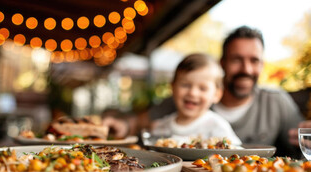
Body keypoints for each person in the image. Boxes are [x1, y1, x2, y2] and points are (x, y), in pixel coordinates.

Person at [103, 26, 304, 157]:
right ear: (223, 63)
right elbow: (139, 122)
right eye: (237, 59)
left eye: (254, 60)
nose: (246, 69)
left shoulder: (276, 102)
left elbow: (303, 142)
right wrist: (121, 124)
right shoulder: (184, 99)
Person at [151, 53, 241, 145]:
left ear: (216, 95)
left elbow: (234, 151)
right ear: (172, 87)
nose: (192, 93)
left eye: (202, 88)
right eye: (185, 85)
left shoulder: (217, 127)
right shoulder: (161, 127)